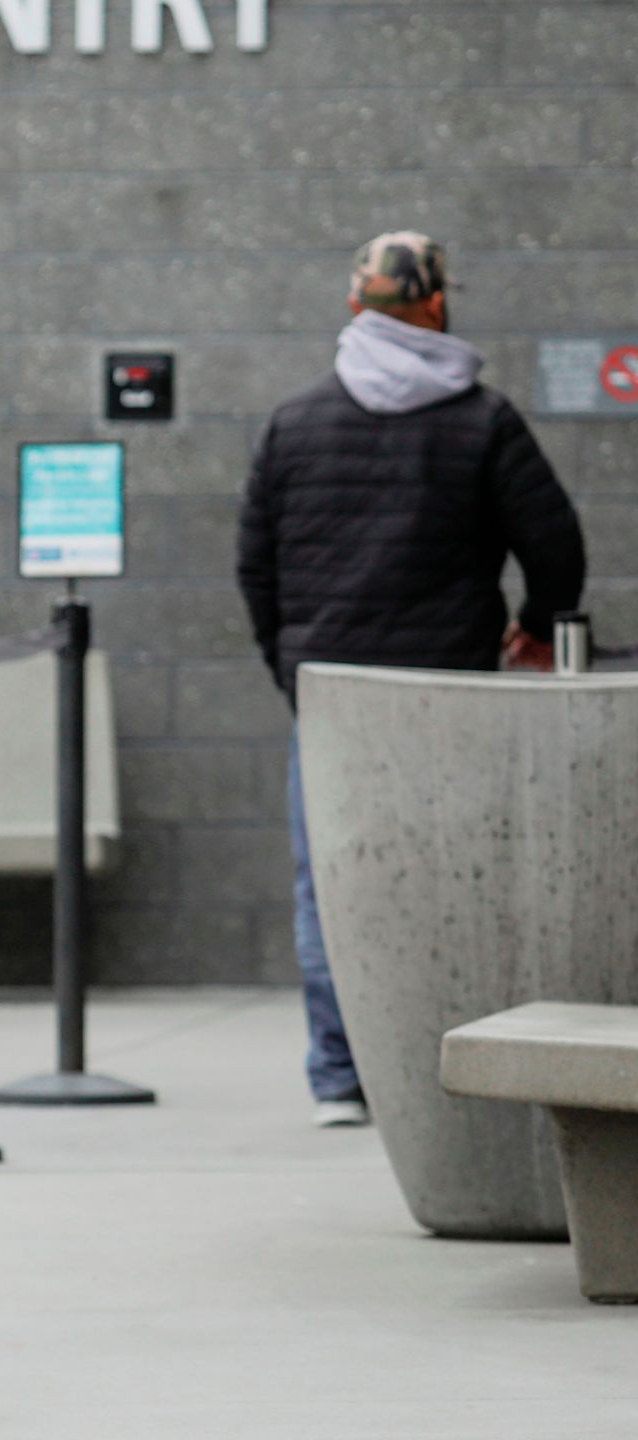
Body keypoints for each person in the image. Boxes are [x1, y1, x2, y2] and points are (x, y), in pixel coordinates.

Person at [236, 231, 586, 1130]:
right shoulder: (483, 420)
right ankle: (447, 1058)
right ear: (434, 306)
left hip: (332, 696)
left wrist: (294, 672)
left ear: (359, 308)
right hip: (453, 694)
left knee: (329, 882)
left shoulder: (295, 420)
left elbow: (255, 570)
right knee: (463, 878)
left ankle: (340, 1076)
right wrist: (538, 632)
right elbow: (556, 545)